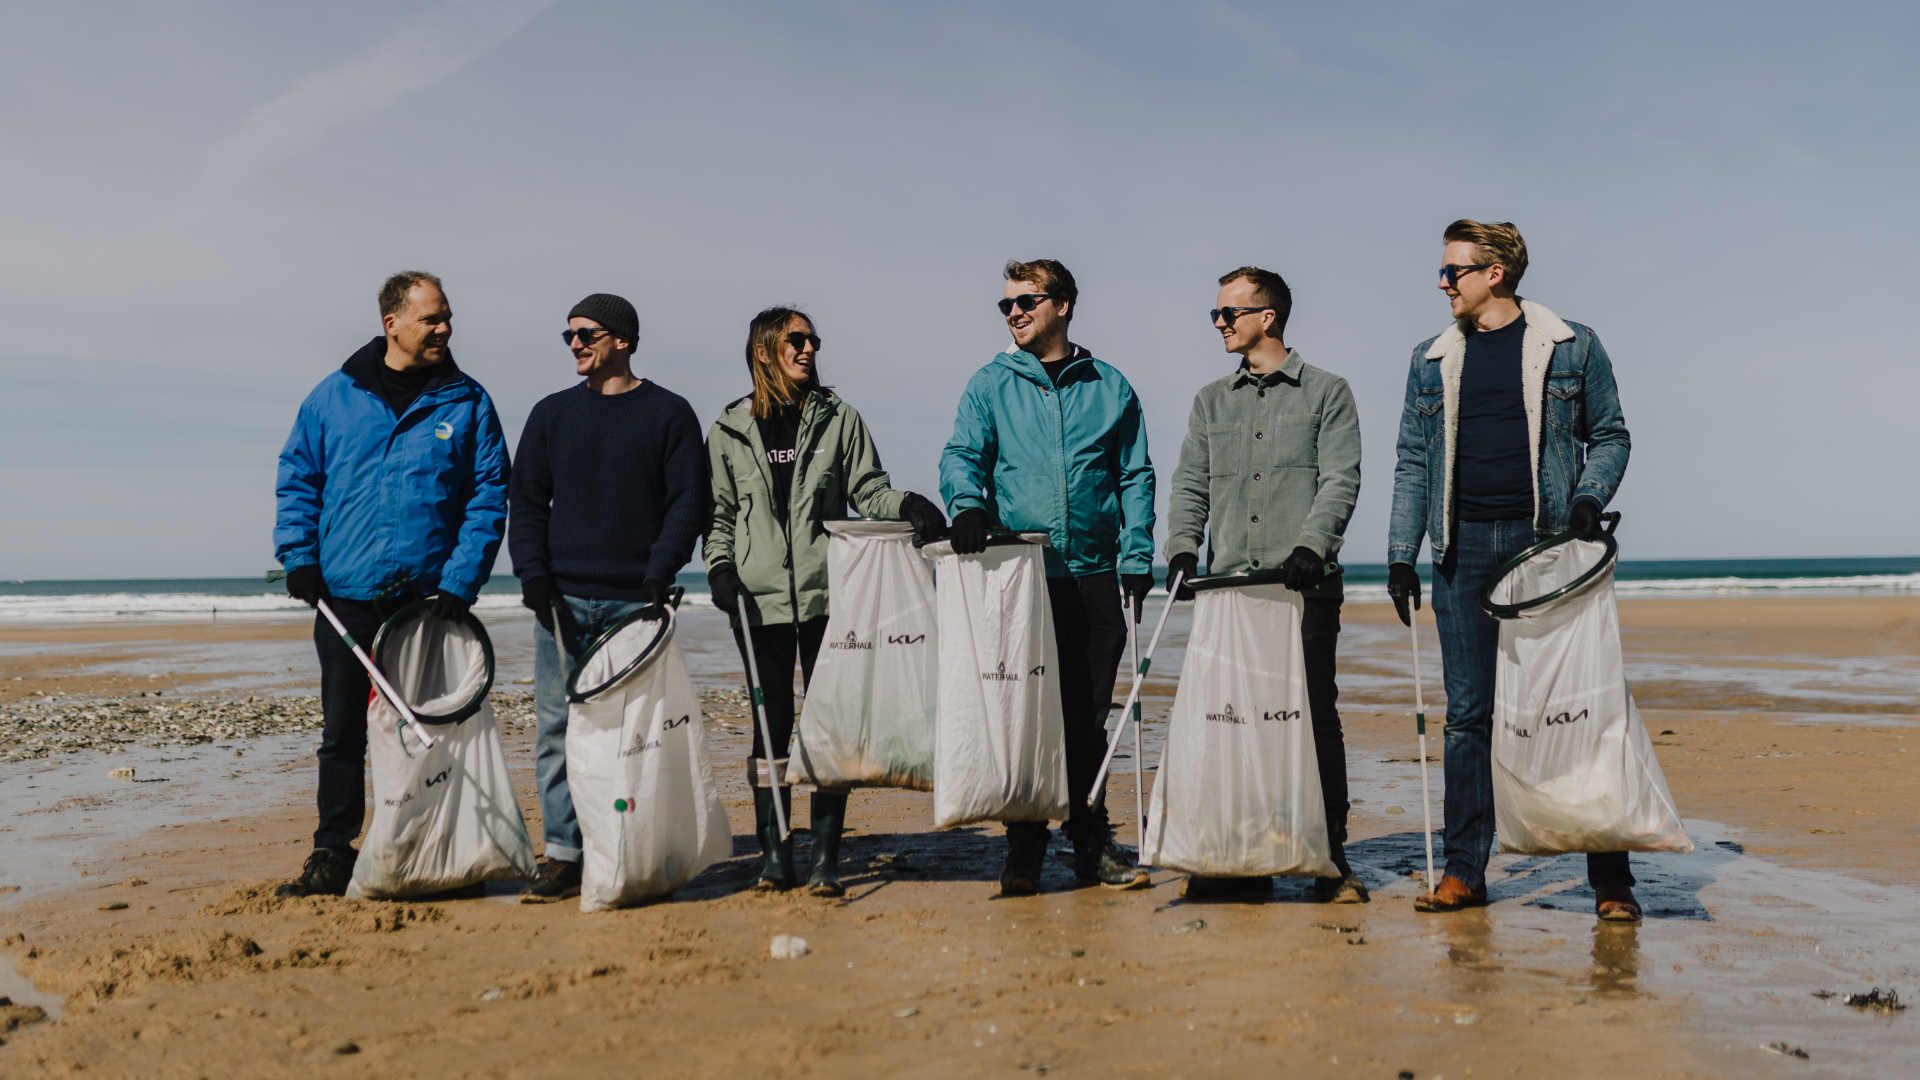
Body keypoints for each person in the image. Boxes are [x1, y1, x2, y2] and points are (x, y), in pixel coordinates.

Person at [1386, 220, 1637, 920]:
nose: (1443, 283)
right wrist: (1401, 555)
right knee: (1469, 718)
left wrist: (1588, 500)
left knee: (1576, 710)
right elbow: (1412, 460)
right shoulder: (1428, 359)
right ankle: (1466, 870)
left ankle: (1610, 881)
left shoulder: (1572, 344)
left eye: (1453, 271)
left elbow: (1611, 434)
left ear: (1494, 272)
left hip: (1546, 550)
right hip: (1459, 554)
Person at [272, 271, 510, 897]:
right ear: (392, 324)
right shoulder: (333, 398)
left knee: (429, 732)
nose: (445, 328)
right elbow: (299, 477)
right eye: (432, 318)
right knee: (342, 732)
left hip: (429, 603)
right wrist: (298, 558)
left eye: (447, 317)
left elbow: (488, 496)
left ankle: (437, 851)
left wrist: (461, 581)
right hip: (346, 594)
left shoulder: (468, 401)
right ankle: (331, 852)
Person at [704, 307, 946, 896]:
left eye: (813, 339)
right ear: (765, 350)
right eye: (797, 339)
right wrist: (718, 568)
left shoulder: (840, 419)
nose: (810, 348)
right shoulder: (729, 428)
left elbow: (868, 491)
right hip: (756, 603)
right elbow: (721, 515)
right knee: (771, 729)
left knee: (831, 728)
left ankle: (825, 863)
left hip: (830, 600)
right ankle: (775, 857)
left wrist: (910, 504)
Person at [941, 259, 1156, 896]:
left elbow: (1135, 476)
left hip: (1093, 576)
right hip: (1021, 575)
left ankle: (1091, 846)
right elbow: (962, 456)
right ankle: (1024, 853)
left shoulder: (1110, 386)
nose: (1012, 312)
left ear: (1062, 305)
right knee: (1025, 714)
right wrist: (968, 506)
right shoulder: (990, 385)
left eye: (1025, 300)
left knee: (1087, 719)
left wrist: (1138, 556)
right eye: (1005, 304)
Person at [1163, 266, 1366, 903]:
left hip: (1303, 584)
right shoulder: (1209, 401)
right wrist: (1180, 548)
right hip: (1229, 593)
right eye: (1217, 315)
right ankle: (1234, 853)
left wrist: (1312, 545)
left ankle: (1328, 856)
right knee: (1231, 721)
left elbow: (1341, 478)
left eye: (1229, 313)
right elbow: (1190, 483)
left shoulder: (1328, 392)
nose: (1219, 324)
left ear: (1267, 316)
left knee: (1310, 718)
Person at [508, 293, 706, 903]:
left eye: (585, 333)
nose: (573, 343)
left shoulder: (669, 413)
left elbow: (688, 502)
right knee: (556, 730)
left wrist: (658, 571)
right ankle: (566, 855)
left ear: (621, 339)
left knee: (637, 736)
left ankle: (633, 843)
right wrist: (533, 575)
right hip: (562, 603)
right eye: (567, 334)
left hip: (636, 607)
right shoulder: (550, 415)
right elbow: (527, 499)